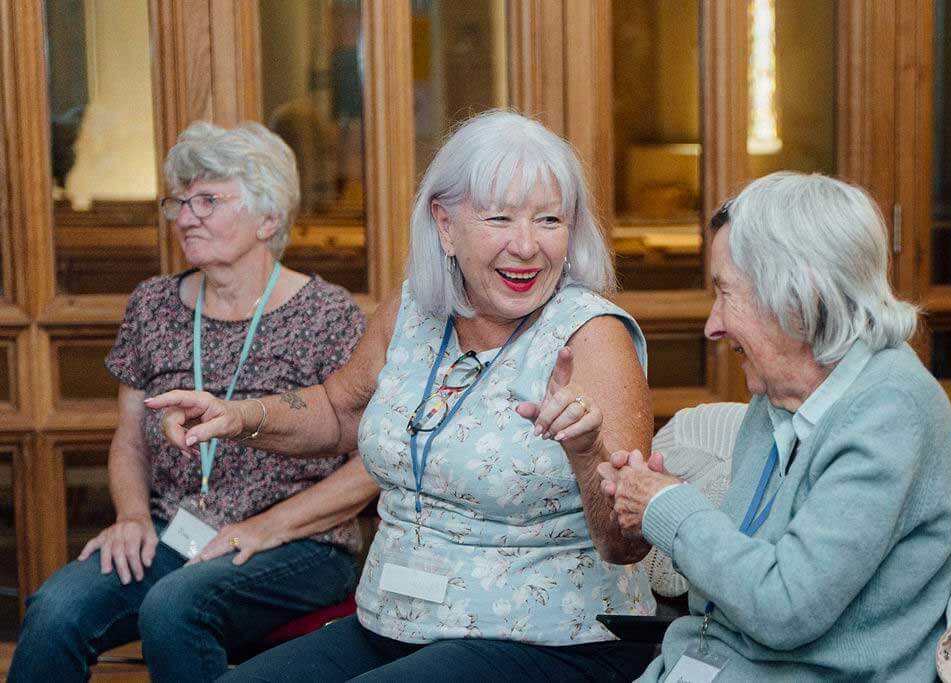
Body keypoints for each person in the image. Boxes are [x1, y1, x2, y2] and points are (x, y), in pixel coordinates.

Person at [147, 110, 658, 682]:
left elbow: (627, 542)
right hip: (393, 623)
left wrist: (586, 452)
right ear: (445, 225)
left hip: (553, 641)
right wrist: (236, 416)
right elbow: (340, 410)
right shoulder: (415, 308)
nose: (526, 246)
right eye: (499, 218)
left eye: (548, 220)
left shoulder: (592, 336)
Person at [9, 121, 376, 682]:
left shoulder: (329, 314)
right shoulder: (153, 305)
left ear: (269, 217)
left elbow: (373, 462)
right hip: (175, 531)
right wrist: (132, 516)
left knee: (175, 607)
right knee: (57, 609)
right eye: (179, 201)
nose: (185, 216)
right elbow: (130, 439)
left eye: (207, 200)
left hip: (299, 543)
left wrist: (265, 527)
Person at [600, 172, 951, 681]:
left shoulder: (893, 411)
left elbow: (785, 607)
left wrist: (668, 508)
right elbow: (721, 593)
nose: (712, 325)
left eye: (726, 294)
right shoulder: (779, 398)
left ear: (799, 297)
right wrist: (657, 503)